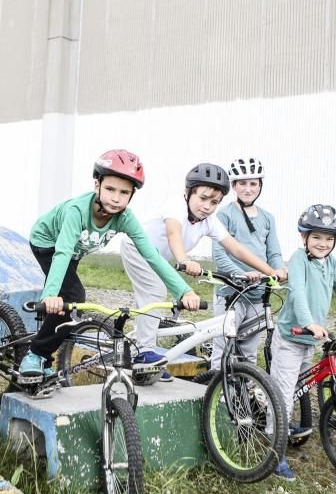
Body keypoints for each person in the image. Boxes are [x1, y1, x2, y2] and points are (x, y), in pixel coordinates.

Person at [19, 150, 202, 382]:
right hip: (48, 244)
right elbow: (62, 252)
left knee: (69, 302)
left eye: (124, 192)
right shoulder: (77, 211)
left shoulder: (125, 218)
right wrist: (50, 295)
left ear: (132, 195)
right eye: (110, 189)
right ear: (97, 185)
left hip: (73, 251)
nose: (116, 198)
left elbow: (153, 256)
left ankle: (44, 356)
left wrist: (183, 290)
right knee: (72, 296)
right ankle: (36, 354)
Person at [120, 162, 281, 380]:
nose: (207, 206)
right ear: (187, 193)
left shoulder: (209, 222)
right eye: (203, 198)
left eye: (214, 202)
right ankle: (145, 354)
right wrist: (185, 260)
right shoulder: (175, 207)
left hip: (160, 258)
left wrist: (270, 270)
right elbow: (173, 234)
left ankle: (147, 358)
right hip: (136, 248)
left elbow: (236, 248)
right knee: (154, 291)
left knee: (155, 301)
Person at [269, 204, 336, 481]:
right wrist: (309, 322)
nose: (323, 243)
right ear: (303, 237)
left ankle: (279, 426)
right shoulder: (298, 260)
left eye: (329, 239)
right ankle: (274, 454)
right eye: (316, 237)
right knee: (282, 396)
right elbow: (297, 293)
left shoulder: (329, 263)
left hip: (309, 339)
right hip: (291, 337)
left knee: (296, 388)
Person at [210, 157, 288, 370]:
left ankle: (244, 397)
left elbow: (273, 252)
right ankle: (215, 396)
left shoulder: (268, 218)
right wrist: (239, 274)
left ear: (260, 186)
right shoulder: (225, 214)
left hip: (257, 293)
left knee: (249, 352)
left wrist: (279, 269)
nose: (248, 188)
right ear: (234, 186)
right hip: (231, 293)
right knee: (223, 347)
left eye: (253, 183)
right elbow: (219, 253)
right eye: (242, 183)